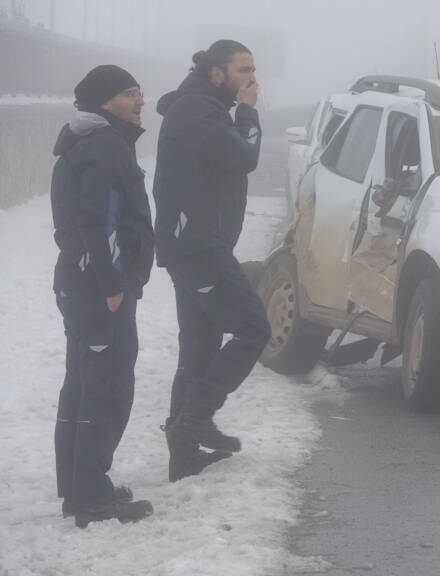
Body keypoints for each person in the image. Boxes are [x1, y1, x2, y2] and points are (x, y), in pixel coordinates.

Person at [153, 40, 270, 482]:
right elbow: (245, 156)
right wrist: (249, 112)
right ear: (217, 73)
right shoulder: (198, 109)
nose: (252, 79)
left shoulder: (203, 107)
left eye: (254, 69)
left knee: (199, 346)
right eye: (244, 69)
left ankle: (183, 454)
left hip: (198, 242)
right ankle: (196, 417)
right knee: (253, 328)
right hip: (198, 246)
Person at [51, 64, 155, 527]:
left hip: (79, 284)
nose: (140, 101)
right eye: (131, 94)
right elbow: (101, 223)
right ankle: (90, 495)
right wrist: (113, 286)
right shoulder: (107, 148)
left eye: (140, 93)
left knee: (82, 386)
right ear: (105, 101)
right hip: (98, 289)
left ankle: (79, 487)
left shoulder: (87, 144)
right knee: (107, 390)